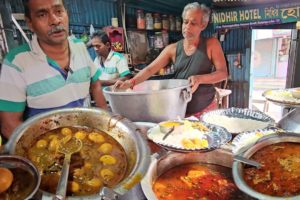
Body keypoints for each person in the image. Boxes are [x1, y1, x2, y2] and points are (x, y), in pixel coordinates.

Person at [0, 0, 107, 138]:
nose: (55, 21)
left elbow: (96, 84)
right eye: (42, 14)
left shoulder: (80, 47)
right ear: (30, 23)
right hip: (44, 144)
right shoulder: (16, 63)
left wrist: (105, 121)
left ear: (66, 14)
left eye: (58, 11)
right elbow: (9, 125)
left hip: (83, 137)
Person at [114, 2, 228, 118]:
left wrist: (199, 79)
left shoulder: (211, 44)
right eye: (185, 22)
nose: (187, 26)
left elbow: (223, 73)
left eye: (193, 23)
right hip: (180, 110)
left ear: (203, 25)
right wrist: (131, 82)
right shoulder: (172, 49)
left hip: (205, 110)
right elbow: (149, 69)